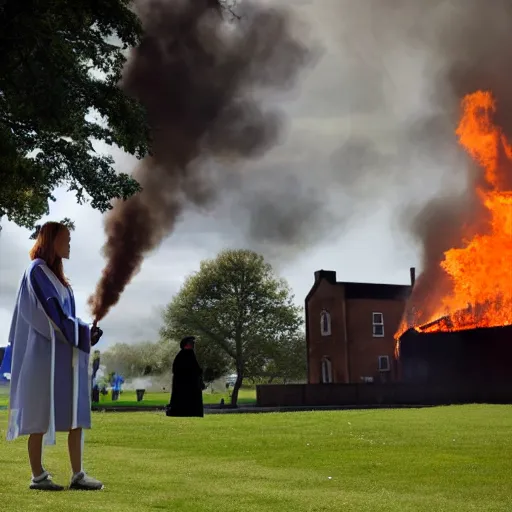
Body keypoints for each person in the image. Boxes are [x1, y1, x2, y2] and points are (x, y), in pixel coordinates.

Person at [6, 221, 104, 491]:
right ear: (52, 241)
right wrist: (83, 334)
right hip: (42, 354)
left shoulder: (60, 279)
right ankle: (37, 476)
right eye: (67, 239)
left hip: (63, 353)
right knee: (39, 411)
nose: (70, 244)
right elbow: (54, 316)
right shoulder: (37, 271)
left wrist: (86, 333)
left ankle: (78, 474)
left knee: (75, 411)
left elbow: (66, 319)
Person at [166, 336, 205, 417]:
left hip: (190, 383)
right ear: (186, 344)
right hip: (184, 383)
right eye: (191, 343)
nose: (193, 345)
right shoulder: (184, 354)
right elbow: (179, 369)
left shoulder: (187, 354)